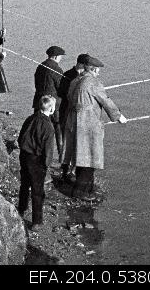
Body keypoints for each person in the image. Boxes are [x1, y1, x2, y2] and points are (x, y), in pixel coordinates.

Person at [61, 55, 128, 200]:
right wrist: (118, 116)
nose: (99, 73)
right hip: (88, 125)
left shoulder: (75, 81)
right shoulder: (93, 82)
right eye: (98, 70)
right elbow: (105, 100)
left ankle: (88, 188)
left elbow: (69, 98)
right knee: (89, 157)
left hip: (74, 123)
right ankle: (81, 192)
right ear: (94, 69)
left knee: (80, 156)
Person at [17, 95, 57, 231]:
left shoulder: (30, 119)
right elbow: (49, 149)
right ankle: (36, 221)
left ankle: (21, 209)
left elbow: (21, 136)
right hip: (37, 159)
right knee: (37, 191)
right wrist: (46, 164)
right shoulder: (48, 126)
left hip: (25, 155)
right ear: (51, 109)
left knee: (24, 184)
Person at [56, 53, 89, 179]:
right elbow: (62, 93)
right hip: (68, 112)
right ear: (81, 64)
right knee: (68, 140)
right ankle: (66, 169)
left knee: (77, 141)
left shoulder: (82, 77)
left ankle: (73, 169)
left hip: (77, 114)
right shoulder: (69, 75)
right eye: (87, 65)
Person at [33, 45, 65, 156]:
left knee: (39, 126)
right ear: (56, 56)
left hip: (39, 101)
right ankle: (61, 155)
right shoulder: (57, 69)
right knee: (58, 127)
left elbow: (36, 83)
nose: (61, 59)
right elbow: (61, 87)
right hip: (53, 104)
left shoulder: (40, 66)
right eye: (61, 56)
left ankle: (38, 151)